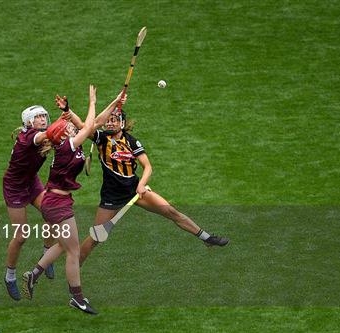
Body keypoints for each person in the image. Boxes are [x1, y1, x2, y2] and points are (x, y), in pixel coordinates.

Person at [78, 106, 230, 265]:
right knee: (96, 237)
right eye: (107, 121)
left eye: (114, 120)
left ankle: (207, 238)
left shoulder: (131, 141)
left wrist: (141, 185)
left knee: (171, 211)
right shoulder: (101, 138)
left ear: (122, 123)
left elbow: (148, 166)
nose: (109, 124)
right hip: (112, 196)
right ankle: (75, 267)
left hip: (135, 190)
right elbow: (84, 127)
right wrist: (68, 112)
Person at [21, 85, 121, 315]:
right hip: (57, 205)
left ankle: (33, 275)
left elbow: (93, 125)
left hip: (57, 203)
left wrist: (115, 101)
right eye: (67, 126)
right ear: (64, 134)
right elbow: (87, 125)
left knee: (64, 245)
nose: (70, 125)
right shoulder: (68, 146)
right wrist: (92, 100)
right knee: (73, 251)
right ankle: (77, 297)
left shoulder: (68, 143)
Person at [2, 105, 57, 301]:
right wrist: (65, 120)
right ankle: (9, 277)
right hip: (14, 187)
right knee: (21, 236)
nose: (43, 119)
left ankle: (47, 255)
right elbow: (47, 135)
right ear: (29, 122)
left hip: (31, 181)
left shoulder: (44, 135)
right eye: (38, 117)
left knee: (52, 214)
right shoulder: (29, 137)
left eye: (44, 116)